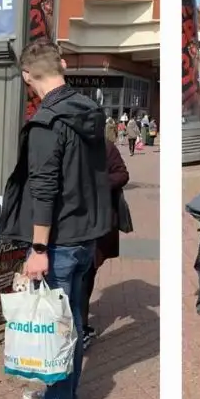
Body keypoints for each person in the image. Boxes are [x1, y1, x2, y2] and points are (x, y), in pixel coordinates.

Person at [0, 39, 110, 399]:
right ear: (61, 65)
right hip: (85, 234)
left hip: (60, 239)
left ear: (28, 76)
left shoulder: (47, 122)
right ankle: (63, 391)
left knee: (61, 324)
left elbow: (45, 188)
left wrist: (39, 247)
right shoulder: (89, 112)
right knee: (74, 318)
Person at [79, 138, 130, 349]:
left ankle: (80, 327)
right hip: (69, 221)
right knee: (78, 274)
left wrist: (98, 182)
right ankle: (77, 326)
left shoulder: (105, 146)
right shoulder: (66, 143)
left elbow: (122, 174)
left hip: (98, 221)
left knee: (87, 271)